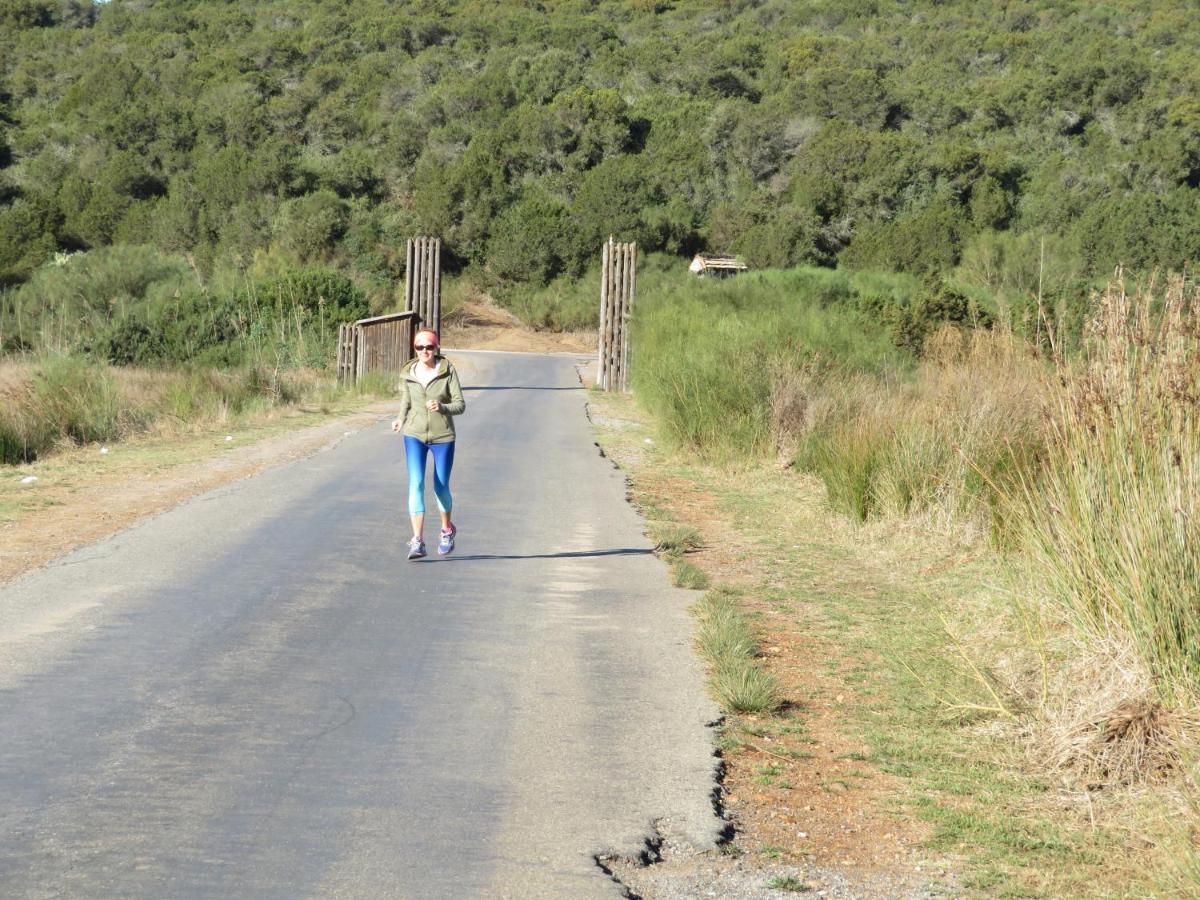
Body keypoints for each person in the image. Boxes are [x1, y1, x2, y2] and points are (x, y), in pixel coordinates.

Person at [391, 329, 466, 559]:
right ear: (414, 348)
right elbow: (407, 399)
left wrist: (442, 407)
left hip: (443, 436)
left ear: (437, 347)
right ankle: (418, 541)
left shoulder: (447, 371)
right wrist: (401, 419)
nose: (424, 351)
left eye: (429, 347)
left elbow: (460, 405)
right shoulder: (409, 372)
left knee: (440, 486)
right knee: (416, 484)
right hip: (414, 435)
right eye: (420, 347)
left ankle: (446, 531)